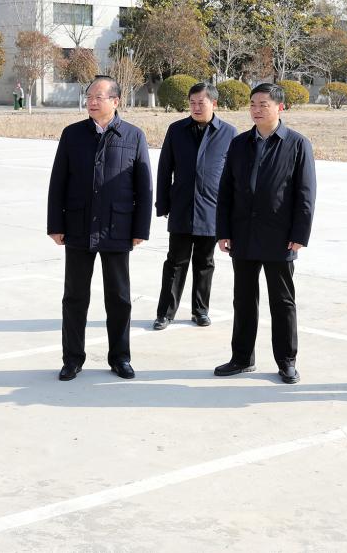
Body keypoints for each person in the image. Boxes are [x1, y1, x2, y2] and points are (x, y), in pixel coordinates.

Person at [47, 75, 152, 381]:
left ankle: (120, 357)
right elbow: (58, 182)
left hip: (118, 227)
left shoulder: (133, 136)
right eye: (89, 97)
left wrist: (140, 229)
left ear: (115, 101)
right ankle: (72, 358)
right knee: (74, 297)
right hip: (78, 226)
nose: (91, 102)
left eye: (98, 97)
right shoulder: (72, 134)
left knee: (119, 298)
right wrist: (55, 224)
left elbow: (144, 187)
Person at [214, 83, 316, 384]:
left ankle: (287, 361)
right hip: (243, 234)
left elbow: (306, 194)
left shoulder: (297, 144)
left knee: (282, 302)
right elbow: (226, 190)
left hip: (280, 236)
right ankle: (242, 358)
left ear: (280, 107)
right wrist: (223, 230)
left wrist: (300, 234)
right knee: (243, 300)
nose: (256, 110)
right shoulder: (239, 143)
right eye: (253, 104)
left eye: (264, 105)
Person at [153, 82, 237, 330]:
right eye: (192, 103)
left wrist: (231, 214)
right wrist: (163, 203)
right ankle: (165, 313)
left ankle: (200, 310)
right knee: (175, 262)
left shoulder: (229, 133)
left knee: (205, 262)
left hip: (212, 209)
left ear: (214, 103)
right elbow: (165, 168)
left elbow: (234, 177)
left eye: (201, 102)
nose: (196, 107)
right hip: (182, 206)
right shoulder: (176, 130)